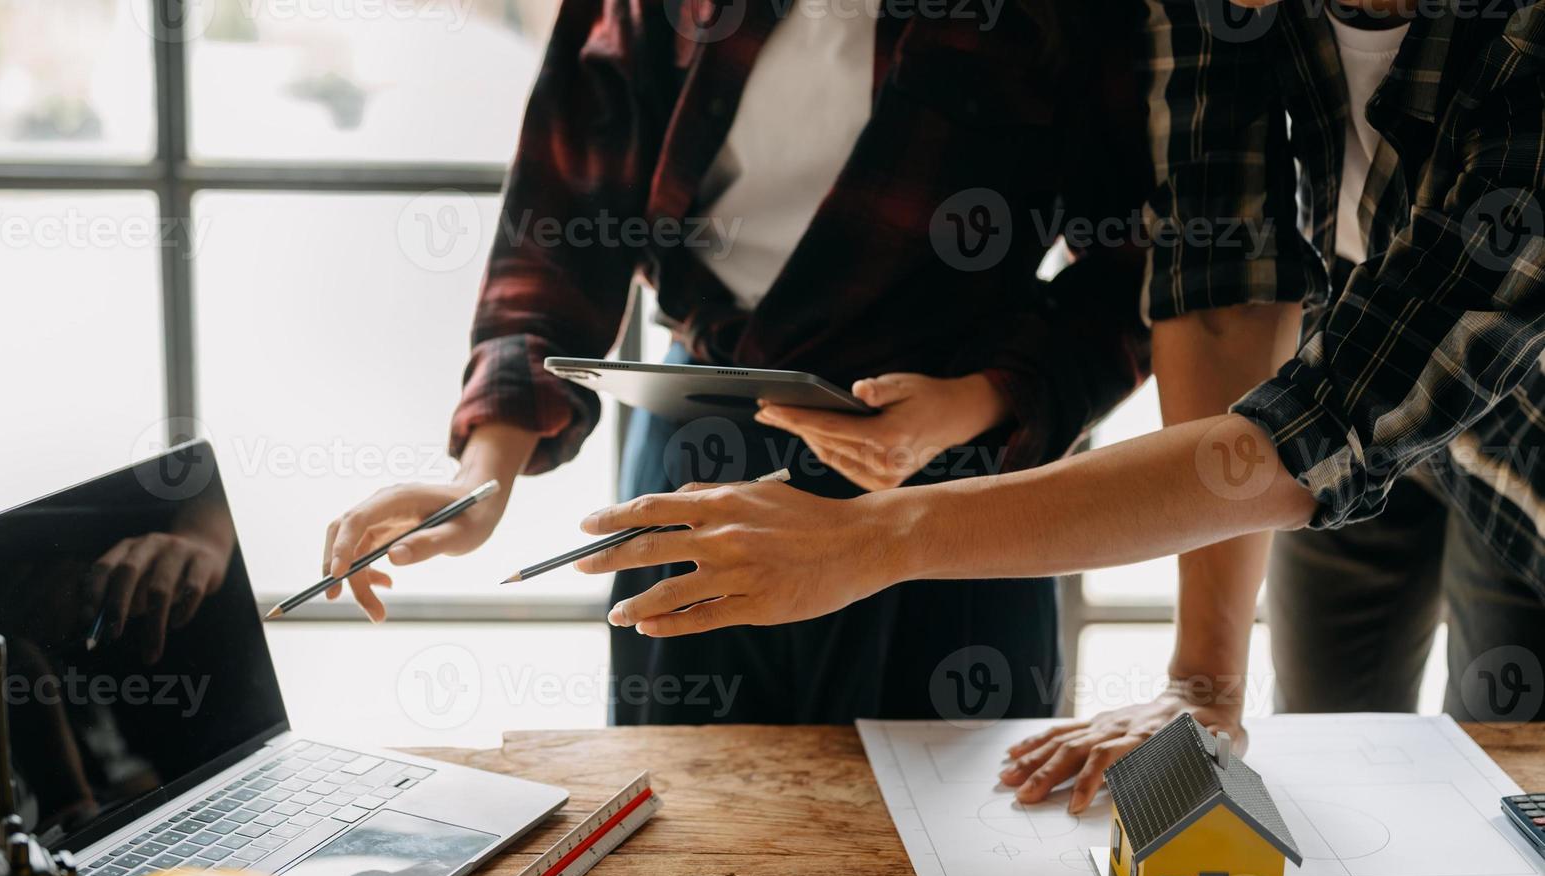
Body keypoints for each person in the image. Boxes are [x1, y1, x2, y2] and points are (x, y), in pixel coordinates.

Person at [573, 0, 1545, 749]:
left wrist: (871, 537)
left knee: (1513, 774)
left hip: (1513, 432)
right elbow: (1220, 278)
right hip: (1346, 378)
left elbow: (1308, 430)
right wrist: (1202, 685)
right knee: (1330, 754)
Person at [320, 0, 1153, 723]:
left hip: (952, 484)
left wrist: (978, 401)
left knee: (943, 859)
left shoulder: (1073, 14)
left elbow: (1140, 265)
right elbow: (563, 210)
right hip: (698, 460)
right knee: (684, 845)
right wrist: (481, 473)